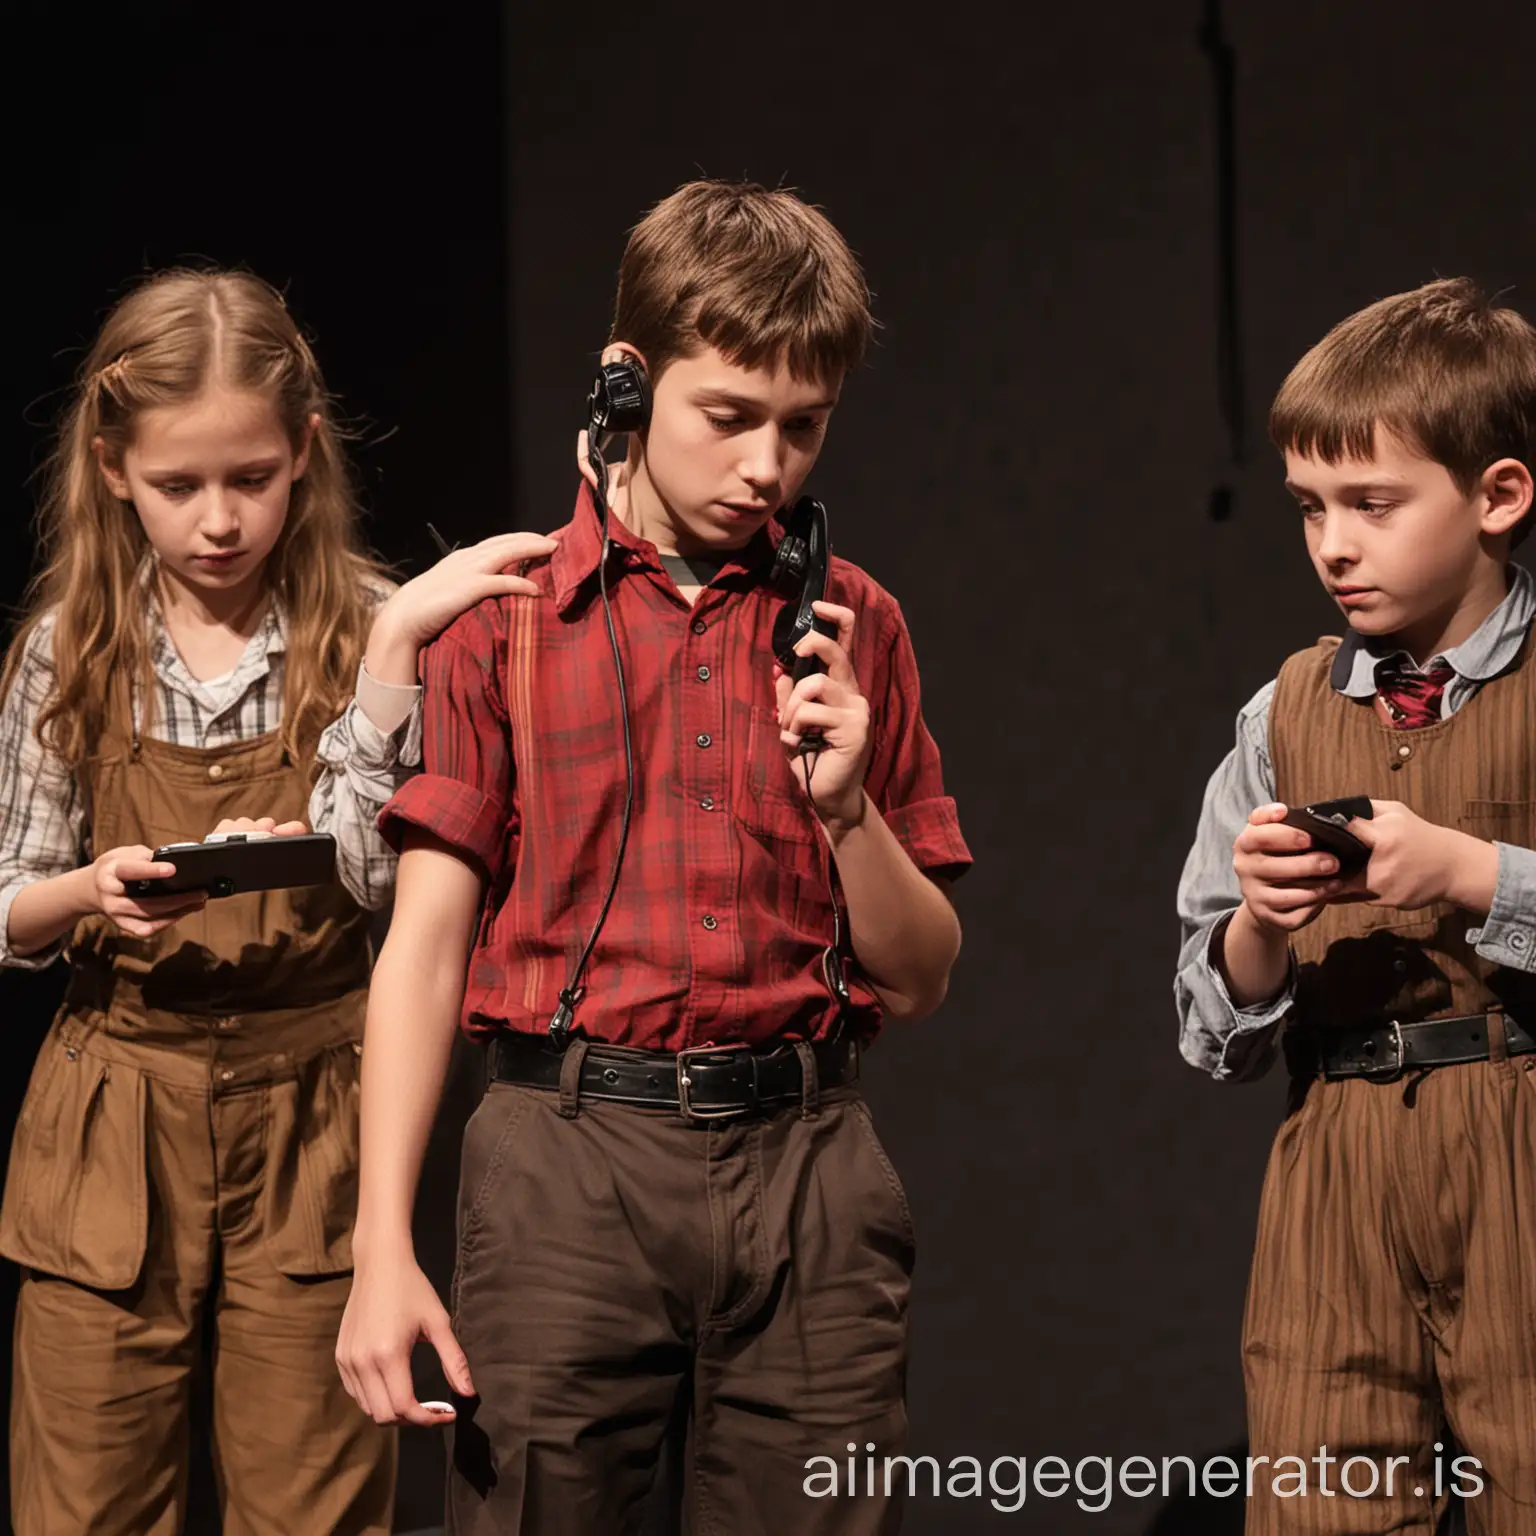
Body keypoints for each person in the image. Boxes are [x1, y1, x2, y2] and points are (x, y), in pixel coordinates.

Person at [335, 179, 973, 1534]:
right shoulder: (504, 627)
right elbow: (427, 949)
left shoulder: (857, 626)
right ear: (626, 387)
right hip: (569, 1158)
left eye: (804, 429)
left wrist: (848, 808)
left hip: (808, 1158)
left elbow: (919, 978)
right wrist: (380, 1244)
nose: (768, 469)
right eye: (729, 418)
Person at [0, 267, 552, 1536]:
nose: (217, 521)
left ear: (304, 452)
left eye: (250, 478)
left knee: (313, 1501)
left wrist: (354, 745)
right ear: (113, 465)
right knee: (84, 1502)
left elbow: (388, 886)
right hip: (114, 1114)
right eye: (178, 485)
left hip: (312, 1110)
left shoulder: (370, 624)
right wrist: (94, 890)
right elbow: (12, 903)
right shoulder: (69, 644)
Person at [1174, 277, 1534, 1535]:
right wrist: (1262, 929)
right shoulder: (1284, 713)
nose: (1334, 543)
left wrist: (1472, 873)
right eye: (1312, 508)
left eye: (1373, 505)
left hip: (1519, 1139)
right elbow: (1209, 1027)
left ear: (1497, 496)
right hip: (1340, 1160)